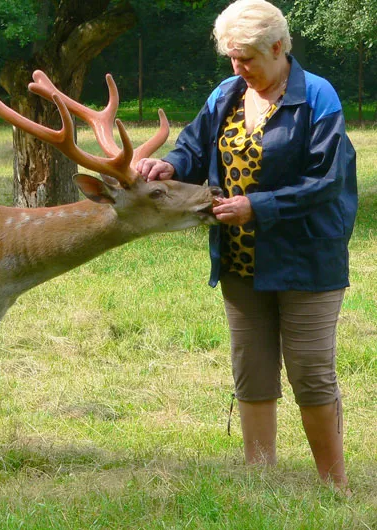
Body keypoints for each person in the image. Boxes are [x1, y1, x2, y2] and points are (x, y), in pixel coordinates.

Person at [136, 0, 357, 490]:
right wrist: (171, 165)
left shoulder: (318, 97)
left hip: (307, 259)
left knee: (311, 372)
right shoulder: (226, 93)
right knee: (251, 372)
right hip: (240, 260)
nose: (239, 68)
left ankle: (333, 485)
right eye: (232, 58)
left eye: (248, 58)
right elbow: (195, 147)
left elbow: (325, 181)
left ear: (279, 47)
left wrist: (257, 207)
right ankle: (262, 482)